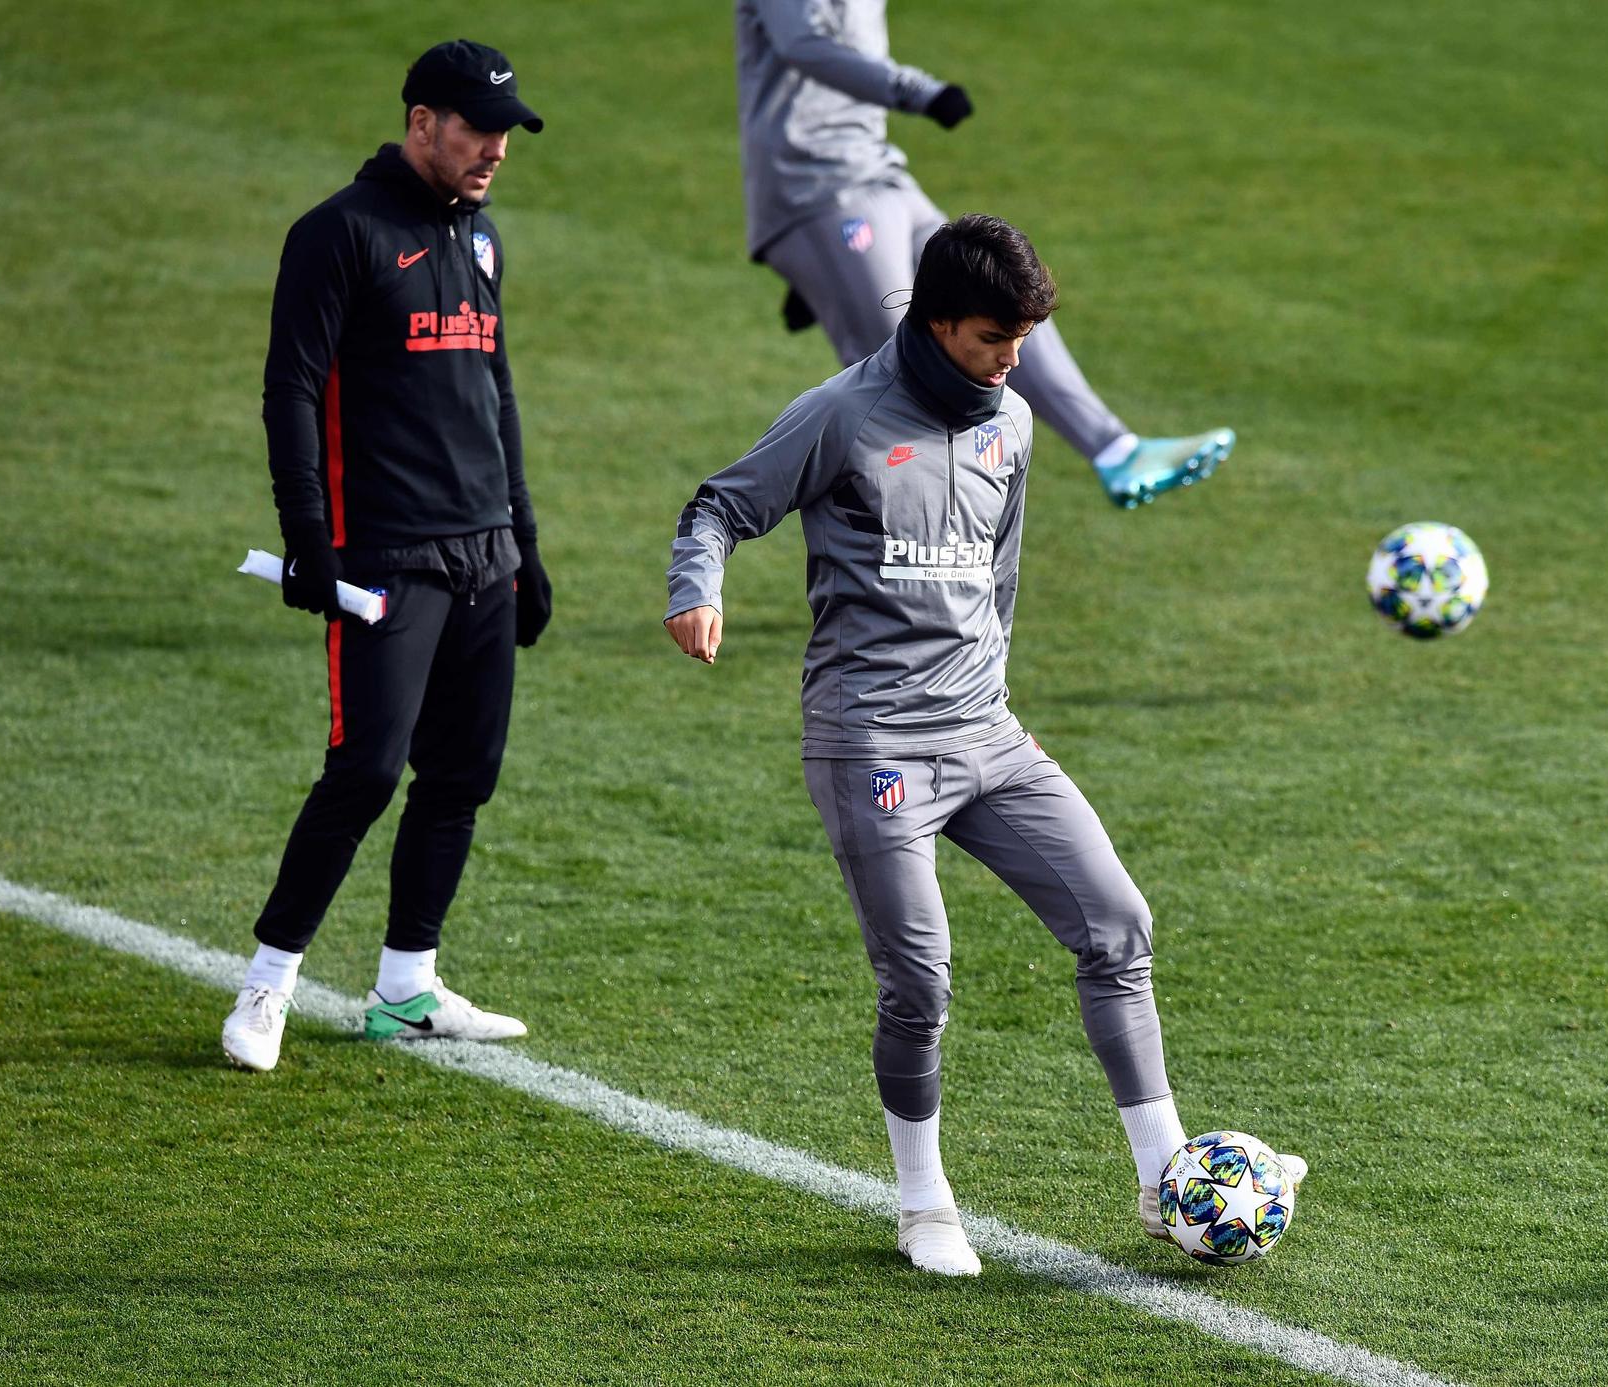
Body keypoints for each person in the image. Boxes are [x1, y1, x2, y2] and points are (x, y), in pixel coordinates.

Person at [665, 215, 1301, 1273]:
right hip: (871, 741)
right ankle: (922, 1202)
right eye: (993, 339)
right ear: (937, 321)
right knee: (918, 981)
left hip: (984, 731)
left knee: (1116, 923)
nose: (1012, 361)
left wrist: (989, 703)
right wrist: (698, 590)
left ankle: (1160, 1179)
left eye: (1024, 340)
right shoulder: (841, 416)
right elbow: (719, 504)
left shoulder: (1009, 424)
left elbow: (996, 578)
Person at [221, 40, 553, 1073]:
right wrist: (307, 545)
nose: (495, 149)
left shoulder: (481, 239)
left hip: (481, 553)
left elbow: (492, 392)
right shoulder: (337, 235)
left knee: (462, 773)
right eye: (475, 129)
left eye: (503, 131)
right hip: (385, 561)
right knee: (364, 769)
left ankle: (407, 986)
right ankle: (267, 983)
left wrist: (525, 544)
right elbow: (289, 390)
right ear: (421, 122)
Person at [735, 0, 1235, 510]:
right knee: (897, 369)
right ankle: (890, 527)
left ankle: (1116, 450)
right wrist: (917, 92)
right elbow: (805, 45)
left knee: (998, 293)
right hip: (813, 190)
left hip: (880, 171)